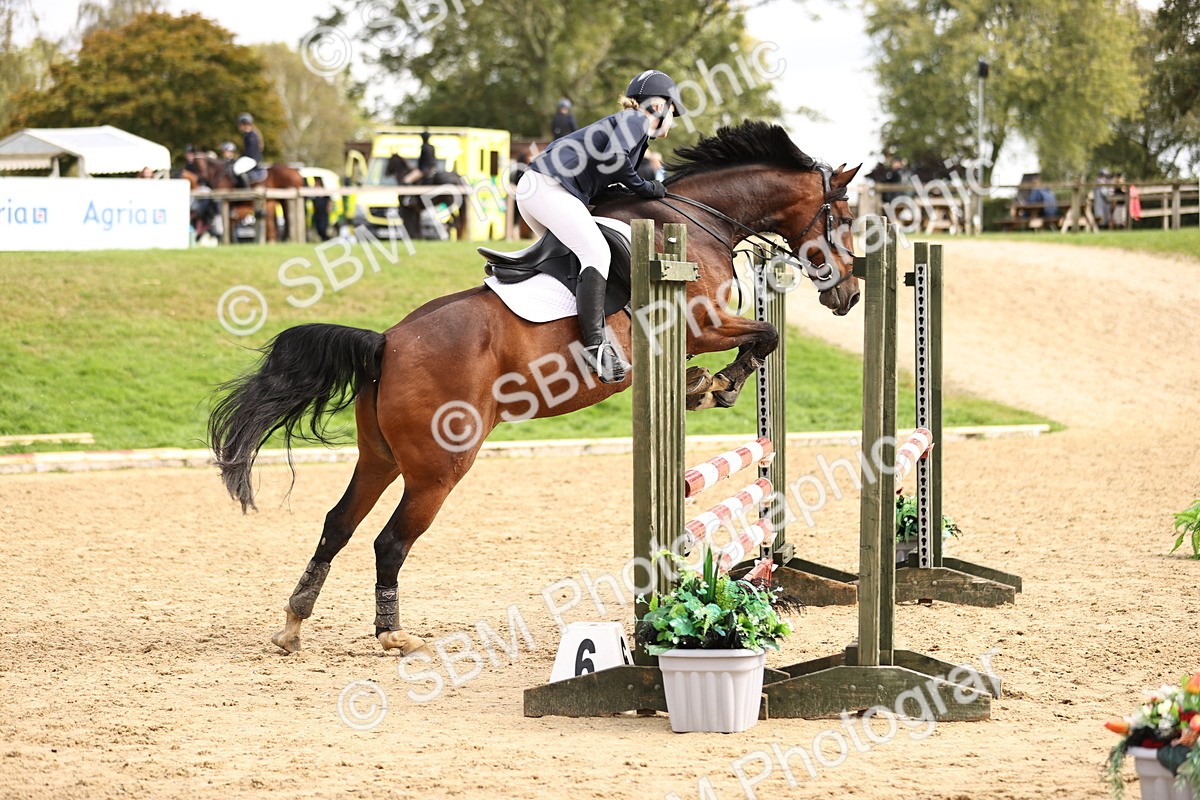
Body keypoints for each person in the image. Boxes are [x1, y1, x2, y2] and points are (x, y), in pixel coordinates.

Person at [518, 69, 683, 383]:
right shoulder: (636, 120)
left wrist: (638, 190)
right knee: (596, 253)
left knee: (577, 261)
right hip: (549, 187)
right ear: (659, 106)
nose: (672, 121)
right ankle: (595, 348)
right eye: (673, 112)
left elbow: (609, 182)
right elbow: (616, 161)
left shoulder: (627, 127)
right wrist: (646, 189)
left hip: (540, 188)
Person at [233, 112, 266, 188]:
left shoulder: (251, 136)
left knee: (237, 169)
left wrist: (241, 157)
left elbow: (250, 152)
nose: (239, 127)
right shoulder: (247, 135)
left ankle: (246, 190)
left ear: (244, 124)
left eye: (240, 125)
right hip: (250, 158)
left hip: (252, 159)